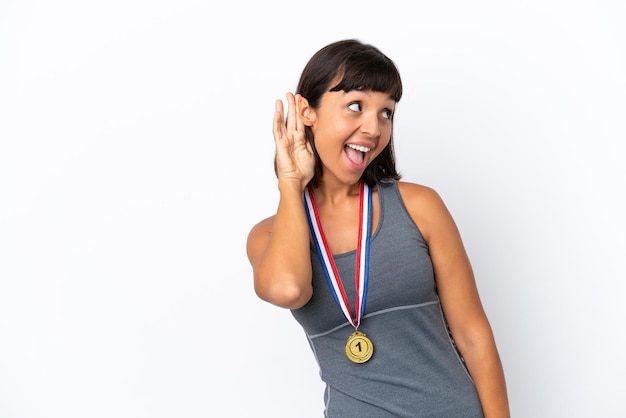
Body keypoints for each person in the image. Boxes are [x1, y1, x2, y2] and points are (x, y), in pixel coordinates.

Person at [246, 39, 510, 417]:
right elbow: (288, 289)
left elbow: (473, 336)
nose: (373, 127)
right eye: (356, 106)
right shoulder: (268, 236)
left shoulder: (419, 207)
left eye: (386, 113)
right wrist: (291, 184)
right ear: (307, 111)